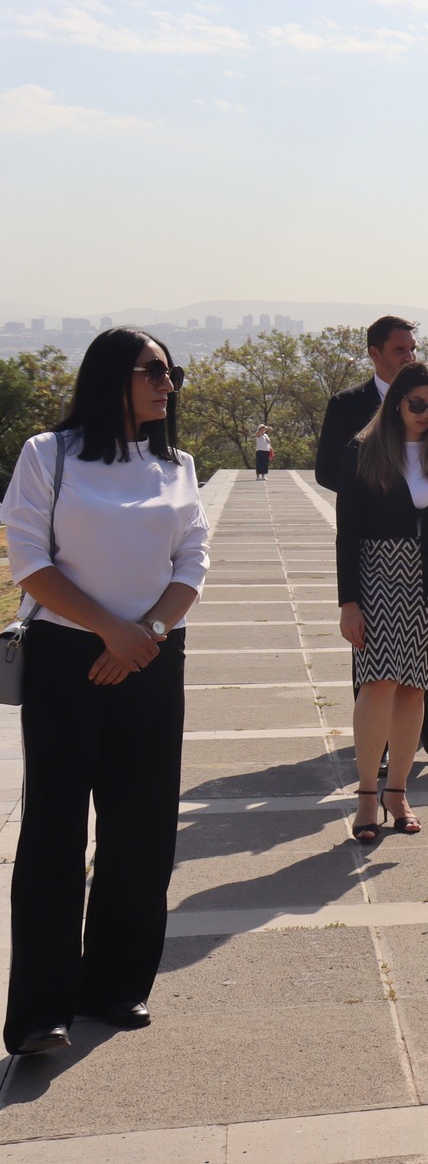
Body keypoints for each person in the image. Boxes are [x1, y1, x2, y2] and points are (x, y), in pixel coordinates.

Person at [0, 329, 209, 1056]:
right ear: (111, 376)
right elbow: (28, 559)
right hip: (66, 658)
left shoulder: (177, 464)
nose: (167, 384)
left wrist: (144, 633)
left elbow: (193, 560)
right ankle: (39, 1010)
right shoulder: (47, 454)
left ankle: (116, 984)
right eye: (154, 371)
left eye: (171, 372)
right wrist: (108, 631)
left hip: (152, 657)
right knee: (54, 830)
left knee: (142, 829)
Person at [316, 316, 428, 763]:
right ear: (375, 353)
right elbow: (329, 470)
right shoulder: (348, 405)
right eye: (399, 350)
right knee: (376, 664)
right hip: (381, 554)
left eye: (412, 348)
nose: (409, 356)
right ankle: (379, 748)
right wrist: (382, 493)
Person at [334, 362, 428, 843]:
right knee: (377, 683)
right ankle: (366, 795)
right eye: (416, 403)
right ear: (397, 400)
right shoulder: (363, 450)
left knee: (415, 688)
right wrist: (348, 602)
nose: (425, 413)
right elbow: (347, 533)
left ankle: (397, 793)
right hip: (377, 573)